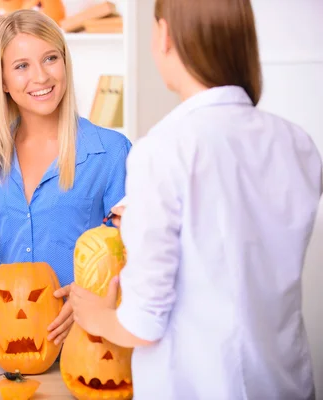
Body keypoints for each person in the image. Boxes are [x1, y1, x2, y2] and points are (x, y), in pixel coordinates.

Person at [69, 0, 322, 399]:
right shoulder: (299, 145)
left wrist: (97, 317)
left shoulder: (163, 149)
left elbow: (143, 323)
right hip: (286, 385)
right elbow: (238, 239)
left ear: (165, 35)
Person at [0, 9, 132, 362]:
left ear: (65, 63)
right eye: (22, 66)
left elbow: (131, 252)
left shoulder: (111, 152)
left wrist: (93, 297)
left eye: (50, 58)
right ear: (3, 81)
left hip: (82, 349)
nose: (40, 76)